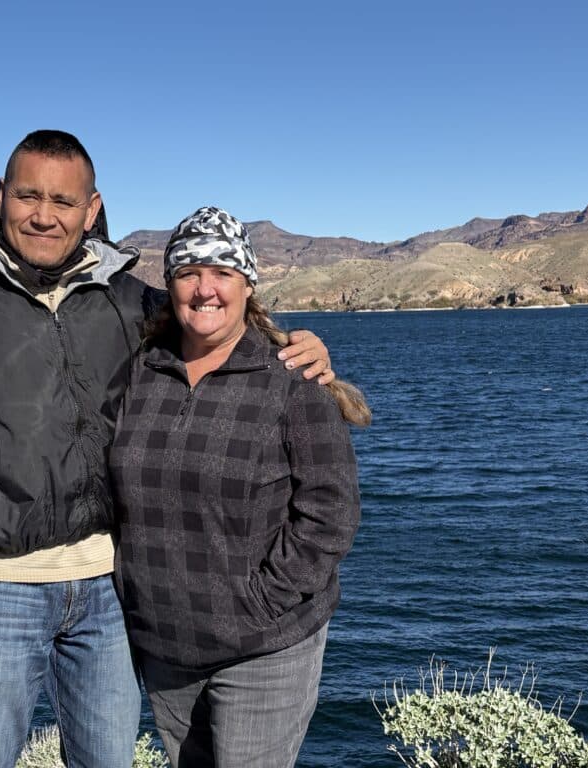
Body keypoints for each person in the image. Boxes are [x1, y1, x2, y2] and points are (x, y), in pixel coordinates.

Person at [0, 132, 335, 768]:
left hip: (108, 585)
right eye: (28, 195)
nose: (44, 215)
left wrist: (298, 348)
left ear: (91, 208)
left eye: (63, 201)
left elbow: (216, 318)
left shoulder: (130, 300)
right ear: (0, 196)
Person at [110, 206, 370, 768]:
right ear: (169, 283)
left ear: (247, 283)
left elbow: (332, 511)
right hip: (165, 645)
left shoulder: (292, 380)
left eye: (222, 272)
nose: (205, 288)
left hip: (263, 647)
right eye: (188, 271)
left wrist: (262, 600)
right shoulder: (140, 371)